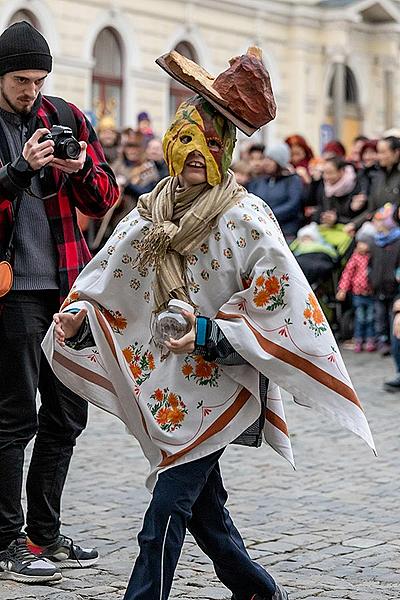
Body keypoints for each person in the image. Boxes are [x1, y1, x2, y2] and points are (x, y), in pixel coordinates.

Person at [44, 47, 374, 600]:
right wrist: (81, 313)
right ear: (173, 143)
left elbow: (284, 306)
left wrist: (209, 334)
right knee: (203, 506)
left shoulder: (247, 218)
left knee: (168, 508)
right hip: (169, 386)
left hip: (222, 384)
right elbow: (110, 273)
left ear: (226, 153)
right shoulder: (153, 210)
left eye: (213, 145)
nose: (198, 156)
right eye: (188, 141)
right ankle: (255, 586)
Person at [0, 21, 119, 583]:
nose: (31, 90)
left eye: (39, 80)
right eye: (21, 79)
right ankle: (4, 541)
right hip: (10, 288)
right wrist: (20, 169)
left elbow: (106, 198)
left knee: (68, 414)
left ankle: (42, 535)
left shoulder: (66, 116)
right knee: (15, 416)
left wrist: (80, 170)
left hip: (67, 286)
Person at [247, 142, 303, 241]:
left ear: (280, 162)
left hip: (286, 232)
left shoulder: (292, 180)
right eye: (266, 158)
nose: (266, 162)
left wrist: (269, 215)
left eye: (271, 159)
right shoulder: (259, 181)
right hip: (261, 230)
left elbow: (292, 205)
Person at [336, 225, 376, 353]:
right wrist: (342, 289)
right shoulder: (355, 257)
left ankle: (370, 339)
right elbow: (347, 274)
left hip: (370, 293)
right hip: (357, 293)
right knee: (360, 317)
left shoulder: (373, 257)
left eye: (364, 243)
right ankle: (358, 339)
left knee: (370, 317)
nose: (360, 246)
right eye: (359, 243)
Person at [369, 203, 400, 356]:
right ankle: (383, 341)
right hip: (378, 286)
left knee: (392, 316)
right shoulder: (375, 242)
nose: (377, 224)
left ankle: (394, 343)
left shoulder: (397, 241)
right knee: (379, 317)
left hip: (393, 288)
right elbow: (370, 264)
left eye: (381, 220)